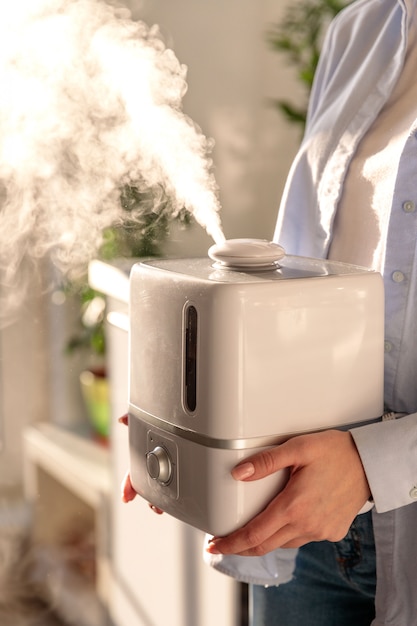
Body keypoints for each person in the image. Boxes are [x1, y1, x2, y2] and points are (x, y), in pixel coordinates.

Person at [123, 0, 417, 623]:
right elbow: (311, 274)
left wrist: (374, 467)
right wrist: (187, 404)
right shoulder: (359, 32)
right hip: (294, 512)